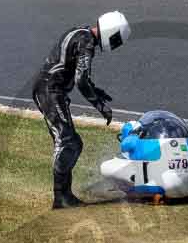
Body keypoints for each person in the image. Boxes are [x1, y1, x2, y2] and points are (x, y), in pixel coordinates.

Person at [31, 11, 130, 209]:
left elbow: (78, 74)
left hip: (51, 90)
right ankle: (61, 198)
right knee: (67, 142)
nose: (116, 44)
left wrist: (97, 92)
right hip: (50, 91)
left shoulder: (81, 32)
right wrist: (100, 106)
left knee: (73, 143)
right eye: (117, 39)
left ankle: (64, 195)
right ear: (112, 33)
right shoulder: (87, 42)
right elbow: (81, 80)